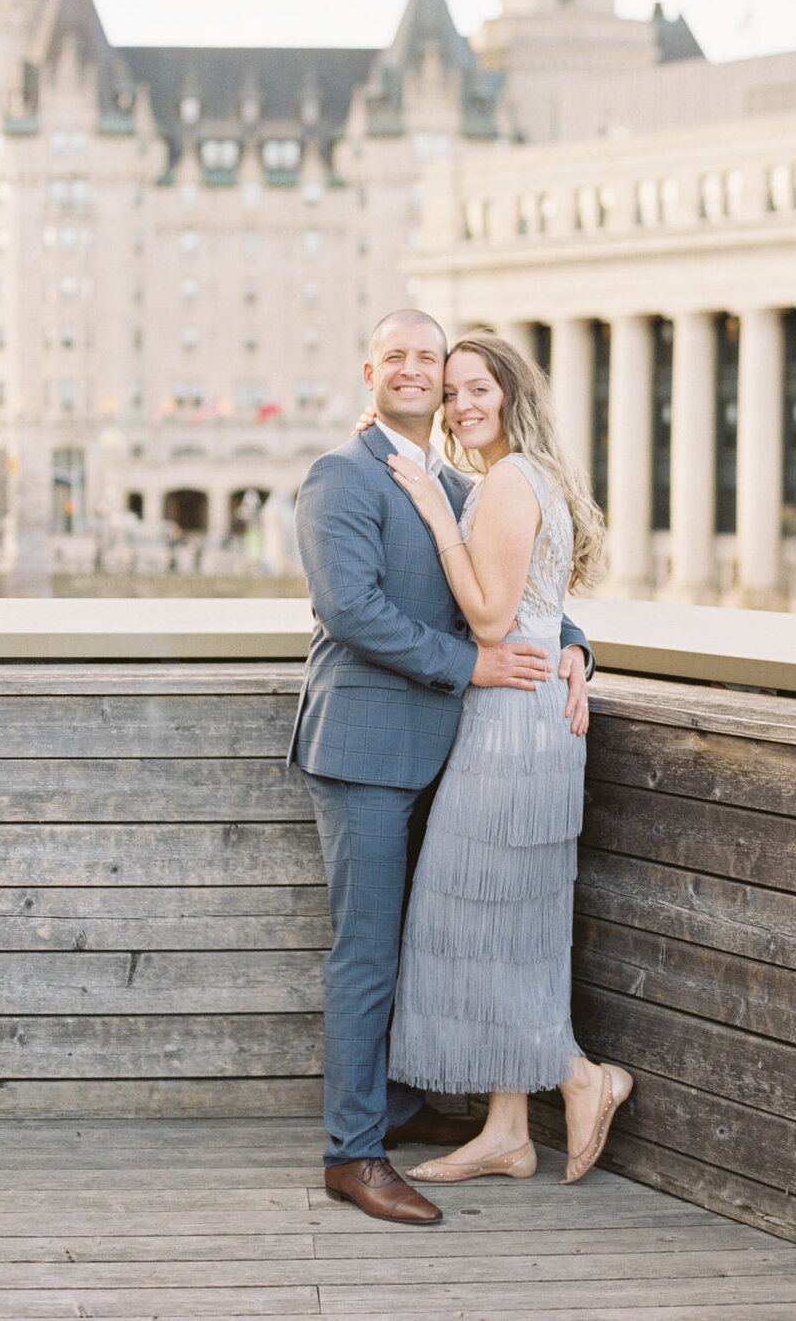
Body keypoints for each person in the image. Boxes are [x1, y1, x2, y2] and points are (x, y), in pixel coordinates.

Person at [290, 309, 593, 1226]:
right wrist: (473, 664)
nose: (422, 374)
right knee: (368, 952)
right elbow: (352, 610)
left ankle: (396, 1106)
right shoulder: (340, 476)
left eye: (436, 359)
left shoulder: (454, 480)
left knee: (430, 934)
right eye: (404, 358)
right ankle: (353, 1153)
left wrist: (575, 647)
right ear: (370, 371)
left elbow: (506, 586)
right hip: (368, 748)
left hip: (452, 751)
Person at [385, 329, 633, 1187]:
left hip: (511, 729)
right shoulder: (529, 477)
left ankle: (578, 1075)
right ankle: (507, 1128)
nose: (460, 405)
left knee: (474, 911)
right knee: (506, 923)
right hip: (528, 719)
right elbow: (532, 612)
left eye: (476, 387)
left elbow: (491, 622)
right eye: (452, 392)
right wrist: (575, 648)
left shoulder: (508, 479)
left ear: (512, 392)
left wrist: (429, 509)